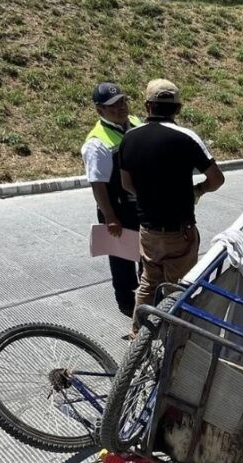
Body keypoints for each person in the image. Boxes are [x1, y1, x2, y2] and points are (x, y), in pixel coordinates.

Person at [119, 79, 225, 334]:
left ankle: (138, 336)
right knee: (178, 287)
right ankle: (174, 343)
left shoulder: (129, 138)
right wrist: (196, 191)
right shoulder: (187, 138)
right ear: (178, 108)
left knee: (148, 282)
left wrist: (148, 197)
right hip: (180, 230)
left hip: (148, 230)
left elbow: (127, 184)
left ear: (147, 105)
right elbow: (216, 179)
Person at [82, 82, 143, 316]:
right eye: (112, 106)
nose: (120, 108)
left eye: (122, 102)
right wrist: (110, 216)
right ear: (100, 111)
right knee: (121, 257)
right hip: (117, 209)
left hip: (139, 204)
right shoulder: (97, 142)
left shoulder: (136, 123)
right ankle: (126, 302)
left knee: (145, 252)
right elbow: (97, 183)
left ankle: (148, 293)